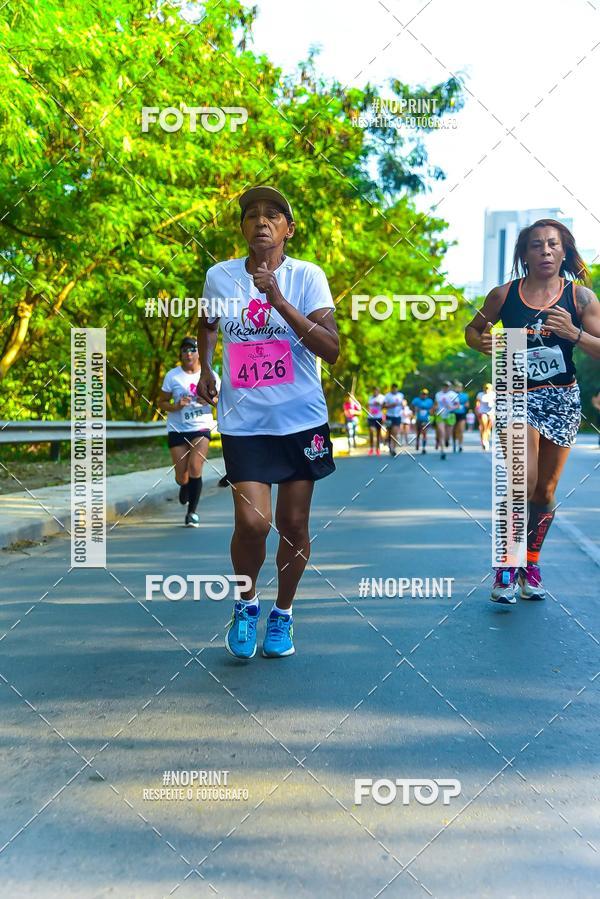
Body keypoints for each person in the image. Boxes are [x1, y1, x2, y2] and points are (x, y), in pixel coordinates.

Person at [196, 185, 338, 658]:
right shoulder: (219, 276)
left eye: (273, 215)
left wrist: (278, 299)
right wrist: (208, 367)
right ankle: (246, 603)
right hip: (244, 420)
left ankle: (283, 614)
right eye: (252, 214)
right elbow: (208, 323)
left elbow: (331, 349)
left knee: (293, 524)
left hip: (301, 419)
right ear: (242, 228)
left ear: (288, 230)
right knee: (253, 524)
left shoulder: (307, 276)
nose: (261, 220)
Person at [465, 218, 600, 603]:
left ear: (564, 251)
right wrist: (483, 344)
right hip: (514, 391)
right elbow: (472, 330)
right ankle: (506, 564)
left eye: (553, 244)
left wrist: (574, 333)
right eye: (536, 245)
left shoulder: (581, 299)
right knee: (521, 481)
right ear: (524, 254)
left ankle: (532, 562)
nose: (545, 251)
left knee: (545, 489)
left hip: (561, 397)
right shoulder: (504, 295)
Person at [158, 336, 219, 527]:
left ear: (199, 353)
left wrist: (209, 400)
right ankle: (184, 485)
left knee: (195, 467)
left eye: (192, 350)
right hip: (178, 428)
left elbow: (220, 400)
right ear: (181, 354)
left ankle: (192, 512)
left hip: (201, 426)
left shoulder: (210, 375)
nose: (189, 354)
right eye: (184, 350)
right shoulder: (172, 376)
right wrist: (176, 406)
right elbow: (161, 403)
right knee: (181, 475)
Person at [433, 381, 459, 460]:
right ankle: (442, 451)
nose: (446, 387)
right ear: (442, 386)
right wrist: (435, 408)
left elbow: (457, 405)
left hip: (450, 415)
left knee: (448, 434)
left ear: (449, 387)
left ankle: (447, 440)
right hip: (440, 415)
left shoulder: (453, 395)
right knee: (441, 432)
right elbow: (436, 404)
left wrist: (452, 408)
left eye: (447, 386)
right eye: (444, 386)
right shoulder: (438, 394)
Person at [383, 383, 404, 455]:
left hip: (397, 416)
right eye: (393, 388)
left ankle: (393, 448)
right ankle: (389, 445)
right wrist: (391, 405)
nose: (395, 390)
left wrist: (403, 406)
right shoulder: (387, 396)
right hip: (389, 416)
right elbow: (384, 406)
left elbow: (402, 403)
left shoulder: (400, 395)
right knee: (389, 432)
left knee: (395, 432)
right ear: (391, 388)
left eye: (396, 388)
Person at [411, 388, 433, 453]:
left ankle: (423, 447)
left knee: (424, 433)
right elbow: (411, 406)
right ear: (420, 394)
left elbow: (432, 409)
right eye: (423, 394)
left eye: (425, 394)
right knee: (418, 433)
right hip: (418, 419)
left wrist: (430, 411)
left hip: (425, 419)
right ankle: (417, 443)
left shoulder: (429, 401)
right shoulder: (416, 400)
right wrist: (415, 410)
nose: (424, 395)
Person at [475, 383, 495, 452]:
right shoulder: (480, 394)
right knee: (484, 426)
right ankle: (484, 441)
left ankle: (486, 440)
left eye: (488, 388)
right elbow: (477, 403)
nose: (487, 390)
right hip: (482, 412)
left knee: (488, 428)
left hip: (491, 412)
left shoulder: (493, 394)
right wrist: (477, 410)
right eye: (486, 388)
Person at [366, 386, 385, 456]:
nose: (375, 392)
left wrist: (379, 404)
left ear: (378, 391)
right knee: (371, 431)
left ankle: (377, 449)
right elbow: (367, 405)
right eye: (374, 391)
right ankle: (371, 448)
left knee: (378, 433)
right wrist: (369, 409)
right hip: (371, 417)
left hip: (379, 417)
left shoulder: (382, 397)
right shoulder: (370, 397)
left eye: (376, 391)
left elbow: (384, 406)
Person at [453, 381, 469, 452]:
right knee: (454, 430)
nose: (458, 388)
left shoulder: (465, 395)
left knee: (461, 430)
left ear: (462, 388)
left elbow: (467, 405)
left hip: (462, 414)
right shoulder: (452, 395)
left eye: (459, 387)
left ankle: (460, 445)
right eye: (457, 387)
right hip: (453, 414)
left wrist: (465, 405)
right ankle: (454, 443)